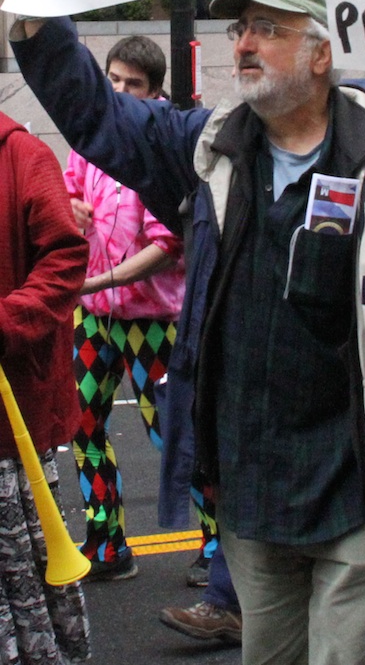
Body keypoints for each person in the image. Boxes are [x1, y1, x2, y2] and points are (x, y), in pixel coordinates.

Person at [4, 0, 365, 665]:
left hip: (357, 492)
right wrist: (36, 10)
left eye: (267, 29)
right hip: (250, 489)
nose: (243, 43)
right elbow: (98, 116)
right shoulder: (209, 147)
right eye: (239, 28)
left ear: (320, 55)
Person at [63, 34, 217, 584]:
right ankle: (106, 543)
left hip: (153, 320)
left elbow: (168, 245)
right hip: (93, 316)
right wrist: (70, 207)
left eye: (134, 83)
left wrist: (97, 281)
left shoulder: (163, 148)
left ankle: (218, 546)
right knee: (81, 424)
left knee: (174, 433)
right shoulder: (87, 140)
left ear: (155, 92)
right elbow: (66, 194)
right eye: (113, 80)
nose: (121, 91)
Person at [0, 108, 90, 663]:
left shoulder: (24, 157)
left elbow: (66, 257)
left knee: (23, 577)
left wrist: (7, 320)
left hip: (12, 422)